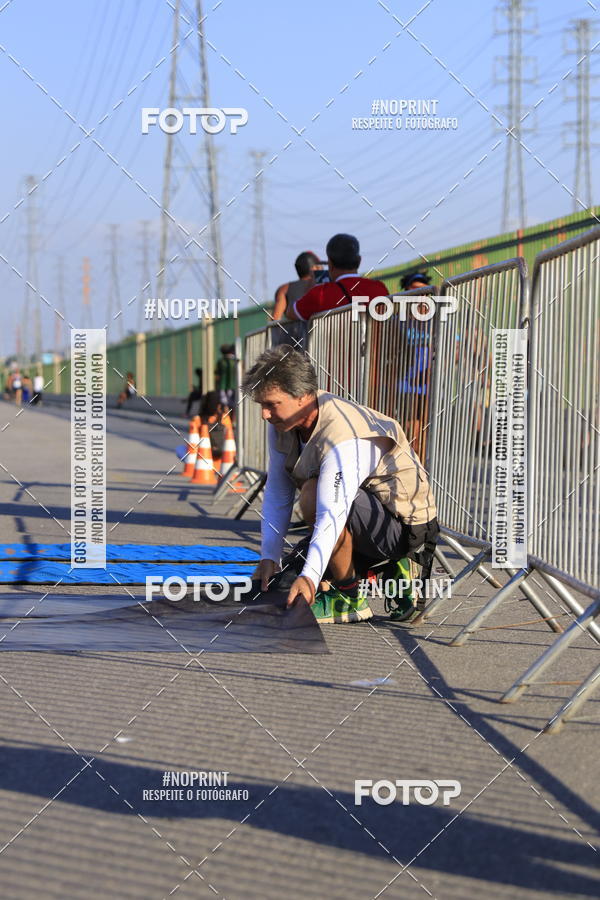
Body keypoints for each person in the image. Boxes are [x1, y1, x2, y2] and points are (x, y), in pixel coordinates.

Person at [242, 345, 439, 624]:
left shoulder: (343, 436)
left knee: (312, 495)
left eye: (271, 404)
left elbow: (331, 513)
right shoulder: (284, 424)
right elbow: (278, 489)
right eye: (261, 405)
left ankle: (350, 596)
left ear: (302, 396)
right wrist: (269, 556)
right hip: (356, 518)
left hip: (402, 528)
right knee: (278, 589)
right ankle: (388, 570)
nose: (264, 414)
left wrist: (310, 578)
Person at [287, 234, 388, 322]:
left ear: (330, 264)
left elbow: (290, 313)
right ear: (359, 261)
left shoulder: (320, 294)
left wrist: (310, 287)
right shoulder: (379, 288)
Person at [273, 251, 321, 321]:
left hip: (294, 328)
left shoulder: (284, 289)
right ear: (315, 268)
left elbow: (275, 319)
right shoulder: (324, 285)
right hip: (322, 327)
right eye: (320, 266)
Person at [214, 345, 236, 413]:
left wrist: (216, 386)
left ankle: (226, 417)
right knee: (233, 404)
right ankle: (232, 417)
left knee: (224, 404)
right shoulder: (235, 361)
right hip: (234, 386)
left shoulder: (220, 362)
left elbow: (216, 375)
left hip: (222, 386)